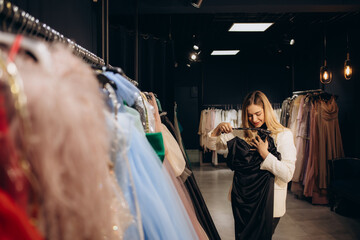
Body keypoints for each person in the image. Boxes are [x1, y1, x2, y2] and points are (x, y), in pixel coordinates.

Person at [206, 90, 296, 238]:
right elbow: (211, 145)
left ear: (267, 110)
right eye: (249, 115)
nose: (254, 119)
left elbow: (287, 174)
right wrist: (217, 129)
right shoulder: (242, 134)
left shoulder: (283, 134)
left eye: (258, 114)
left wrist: (265, 154)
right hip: (242, 202)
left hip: (269, 203)